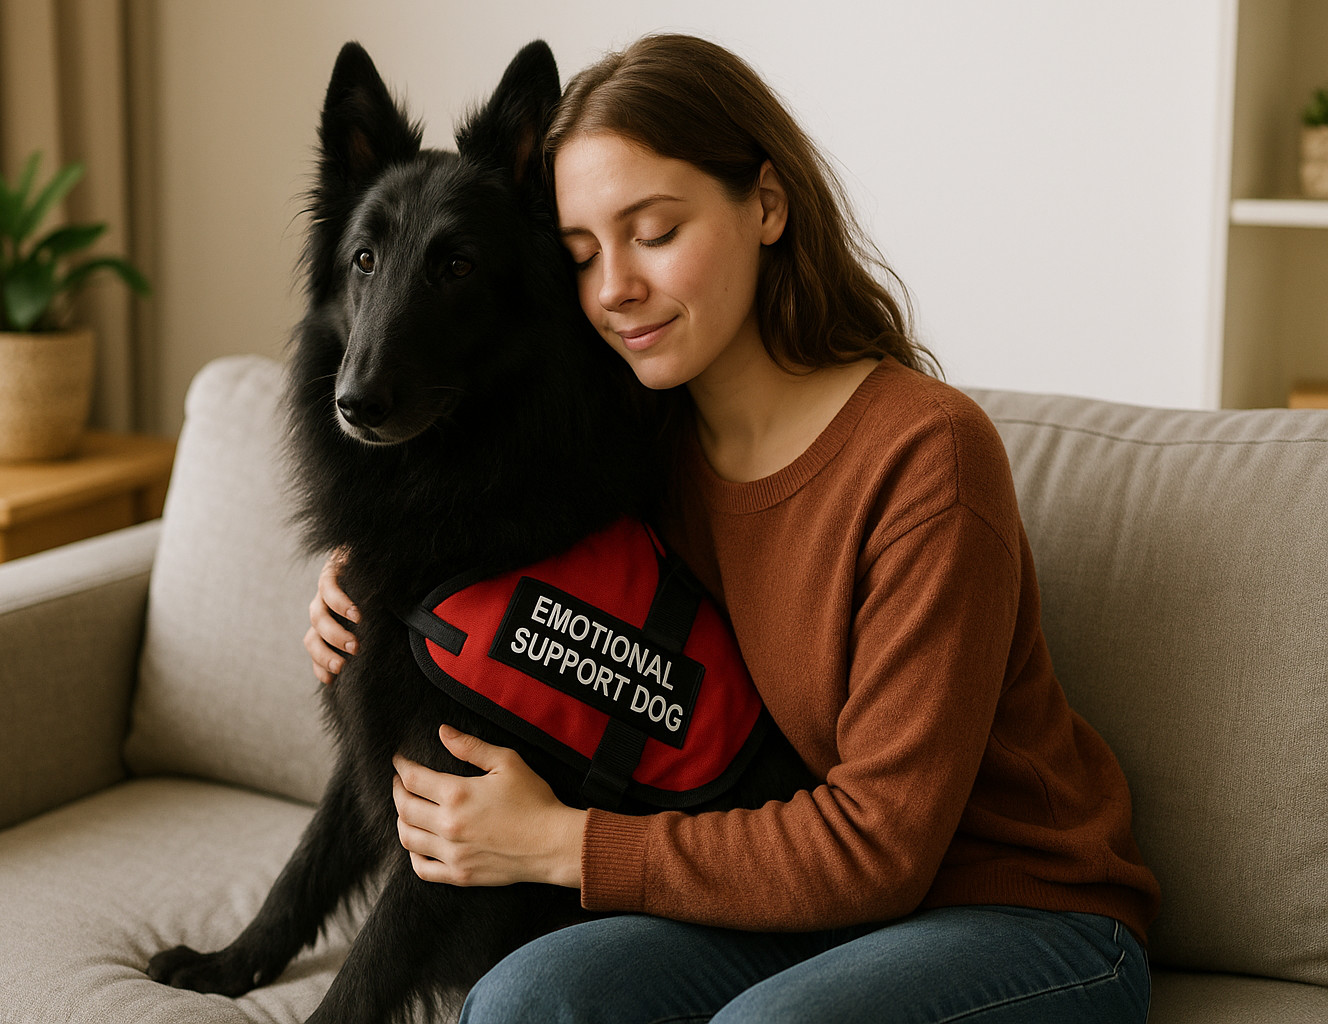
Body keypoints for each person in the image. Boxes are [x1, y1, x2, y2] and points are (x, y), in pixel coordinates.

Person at [305, 33, 1159, 1024]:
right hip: (794, 904)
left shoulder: (927, 457)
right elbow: (497, 568)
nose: (614, 286)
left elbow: (880, 847)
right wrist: (363, 588)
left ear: (767, 204)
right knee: (523, 1000)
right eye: (582, 254)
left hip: (1020, 911)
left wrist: (559, 842)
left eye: (655, 232)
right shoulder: (641, 446)